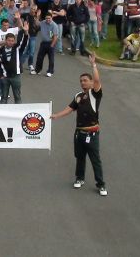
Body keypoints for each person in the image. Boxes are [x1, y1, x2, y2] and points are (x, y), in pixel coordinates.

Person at [51, 54, 107, 196]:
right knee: (80, 157)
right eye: (81, 81)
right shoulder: (78, 96)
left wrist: (93, 65)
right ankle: (79, 178)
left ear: (91, 82)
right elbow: (70, 108)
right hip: (79, 133)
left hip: (92, 133)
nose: (83, 83)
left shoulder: (95, 94)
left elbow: (97, 80)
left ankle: (101, 185)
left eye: (85, 80)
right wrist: (56, 115)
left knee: (95, 160)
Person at [0, 19, 29, 104]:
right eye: (9, 40)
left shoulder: (17, 49)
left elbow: (24, 42)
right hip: (5, 77)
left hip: (16, 76)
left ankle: (18, 111)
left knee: (17, 97)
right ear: (5, 40)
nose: (11, 42)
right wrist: (0, 76)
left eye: (12, 41)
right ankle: (3, 111)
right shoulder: (0, 51)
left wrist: (26, 33)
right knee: (3, 98)